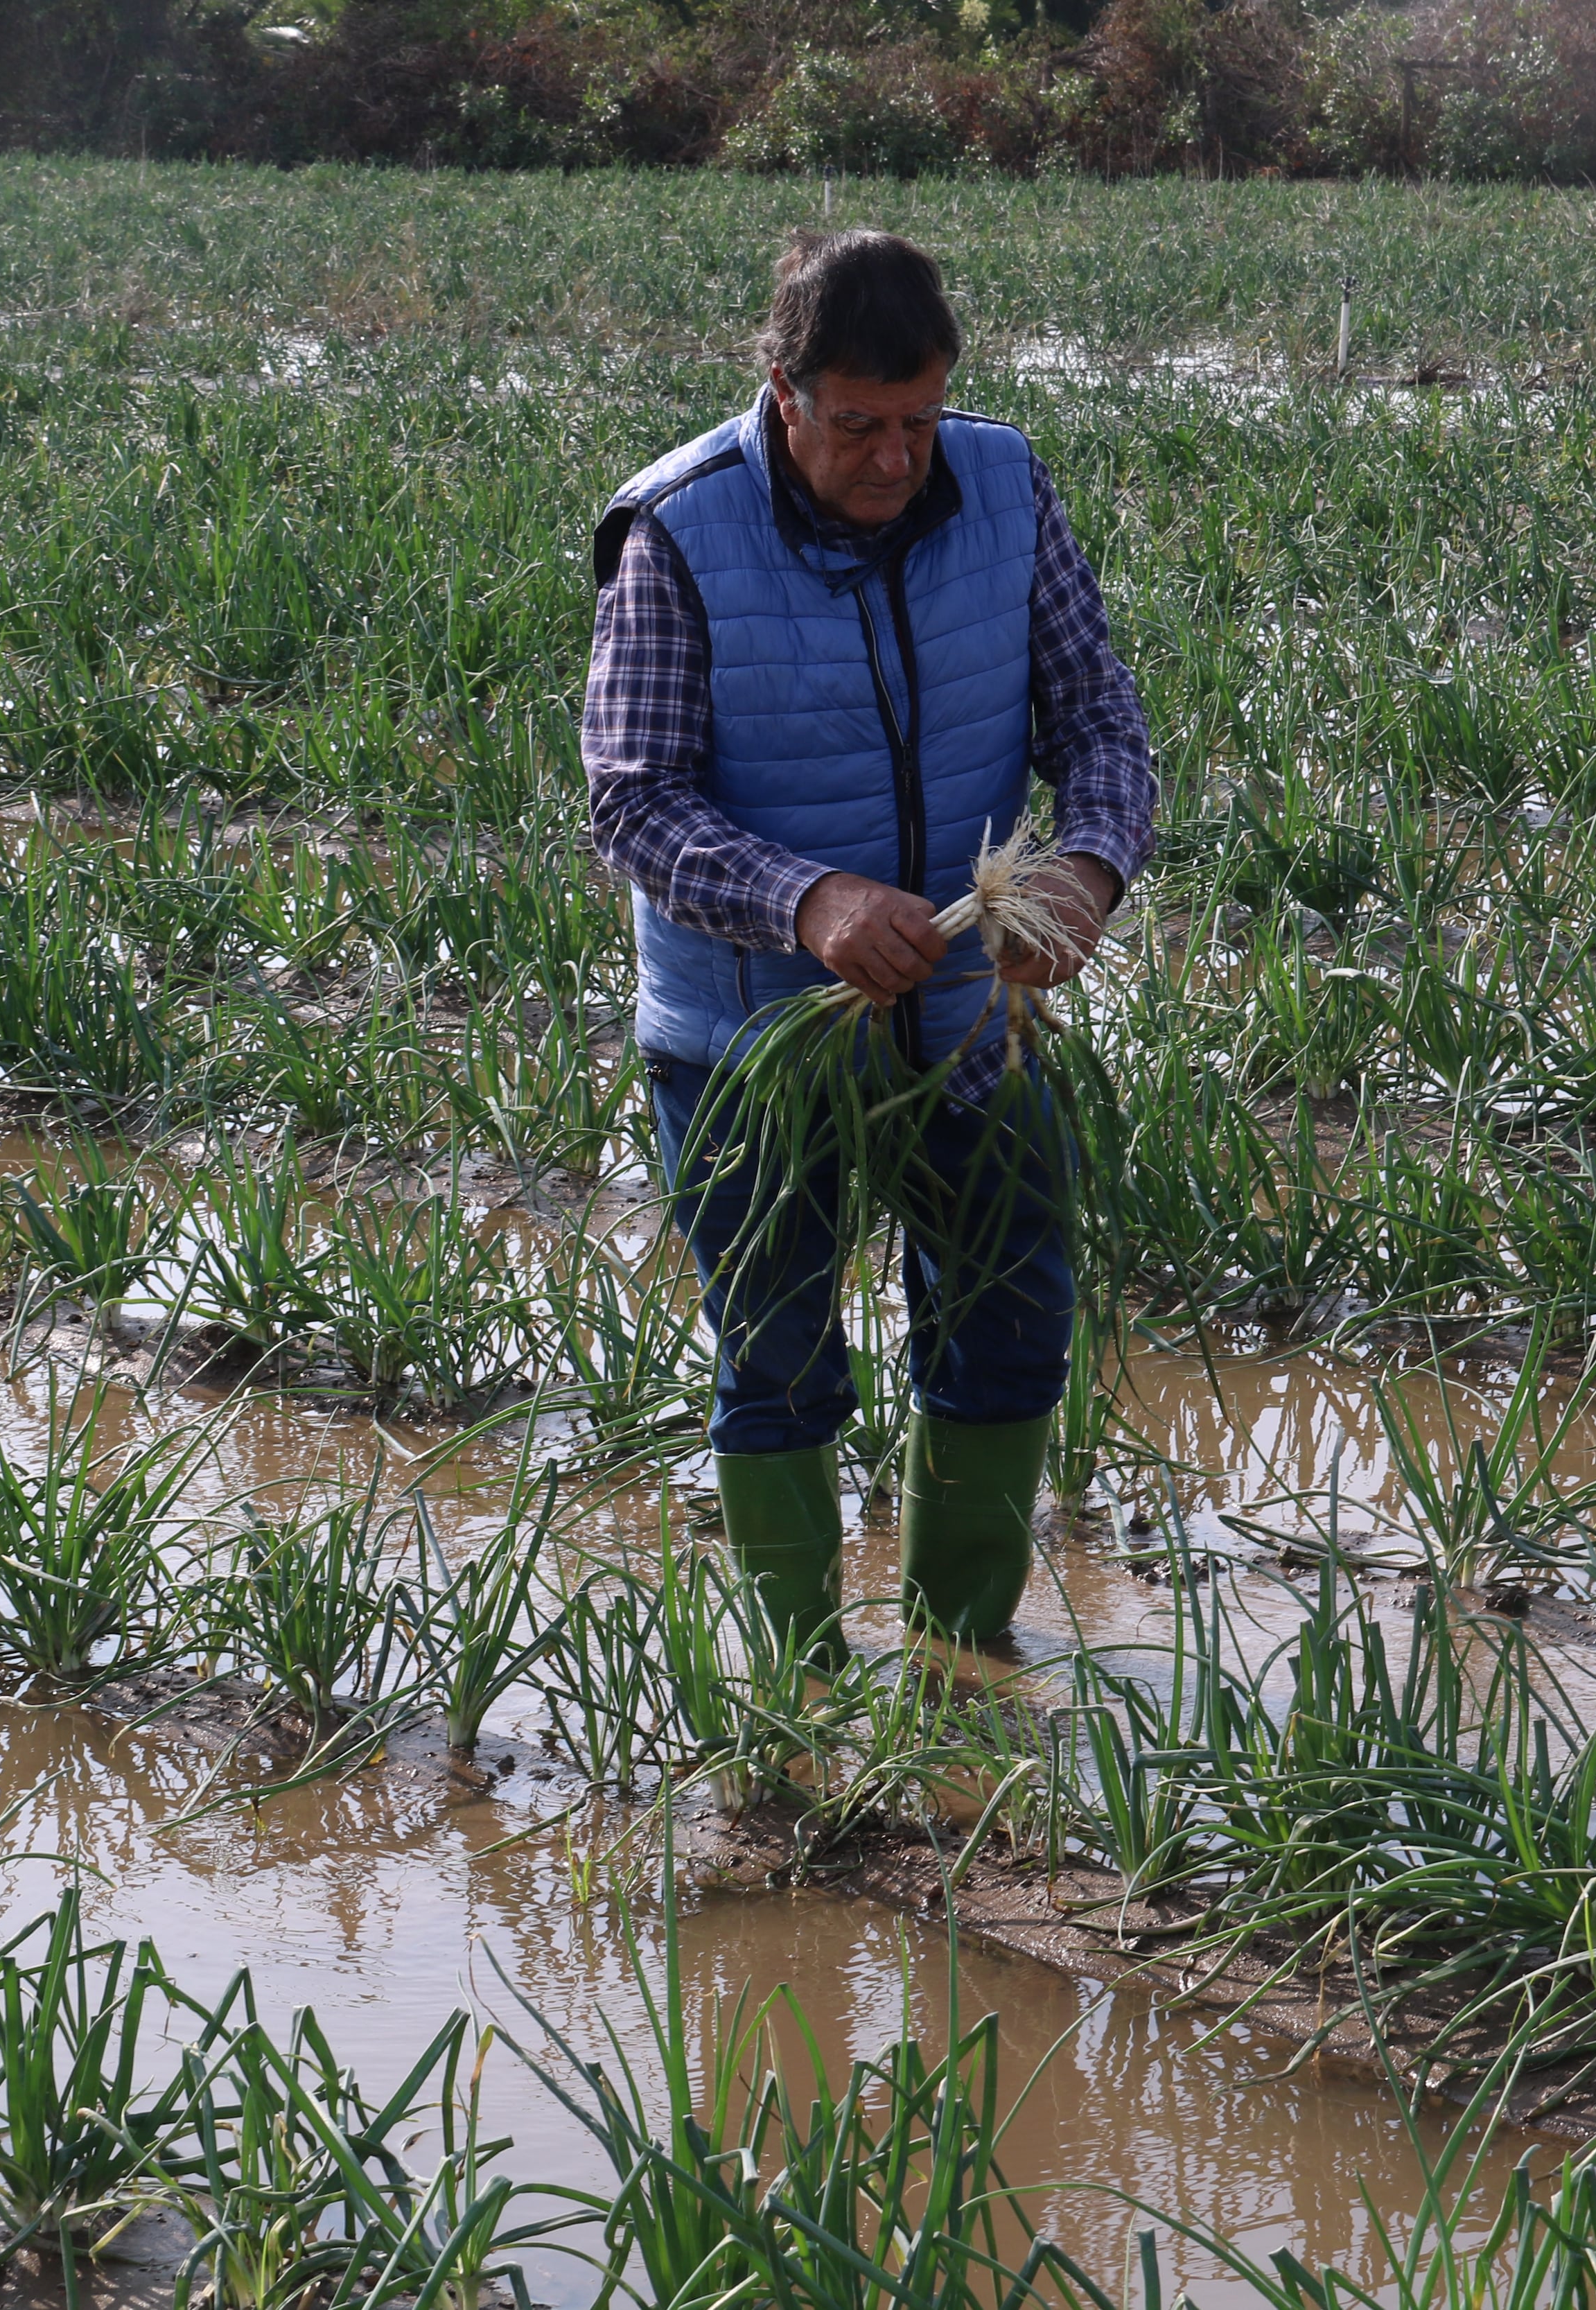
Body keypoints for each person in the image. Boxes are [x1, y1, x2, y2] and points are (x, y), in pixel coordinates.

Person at [583, 228, 1157, 1659]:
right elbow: (633, 801)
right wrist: (809, 903)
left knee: (1013, 1325)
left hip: (967, 1018)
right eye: (858, 426)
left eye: (917, 421)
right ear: (783, 392)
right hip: (749, 1040)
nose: (897, 458)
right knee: (778, 1363)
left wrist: (1085, 866)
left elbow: (1097, 721)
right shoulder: (678, 530)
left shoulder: (1007, 486)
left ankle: (961, 1666)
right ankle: (799, 1683)